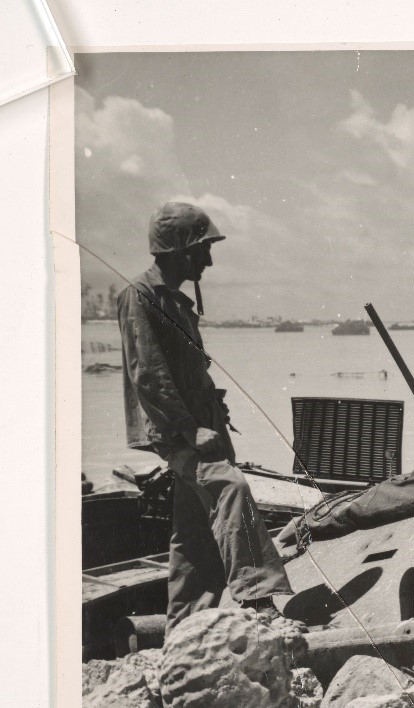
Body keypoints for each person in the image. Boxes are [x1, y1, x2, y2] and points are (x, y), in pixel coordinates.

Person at [118, 201, 294, 630]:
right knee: (229, 488)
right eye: (203, 249)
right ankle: (258, 599)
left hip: (202, 427)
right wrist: (189, 428)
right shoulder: (140, 296)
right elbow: (149, 375)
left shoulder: (174, 301)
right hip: (180, 431)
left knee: (194, 533)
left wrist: (207, 421)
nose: (210, 259)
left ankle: (185, 625)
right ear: (181, 252)